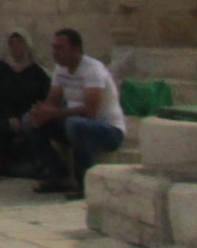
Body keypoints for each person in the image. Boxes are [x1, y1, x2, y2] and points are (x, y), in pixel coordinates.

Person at [23, 28, 126, 198]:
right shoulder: (60, 70)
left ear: (76, 50)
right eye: (54, 47)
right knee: (28, 121)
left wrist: (53, 113)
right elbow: (52, 102)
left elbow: (89, 112)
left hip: (108, 131)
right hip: (75, 126)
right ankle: (58, 175)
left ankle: (84, 183)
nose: (55, 52)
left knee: (75, 123)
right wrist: (40, 113)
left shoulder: (93, 70)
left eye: (60, 48)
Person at [0, 33, 51, 176]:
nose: (16, 47)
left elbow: (45, 97)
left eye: (19, 43)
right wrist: (10, 116)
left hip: (28, 114)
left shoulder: (38, 72)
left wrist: (28, 115)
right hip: (4, 115)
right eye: (12, 43)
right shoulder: (1, 69)